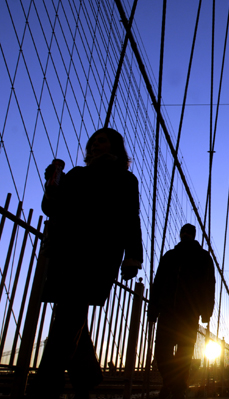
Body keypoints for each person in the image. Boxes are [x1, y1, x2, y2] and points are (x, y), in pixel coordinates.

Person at [32, 127, 143, 399]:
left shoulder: (125, 179)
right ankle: (87, 378)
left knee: (67, 319)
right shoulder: (76, 175)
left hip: (96, 255)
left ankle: (44, 389)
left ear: (114, 147)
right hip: (65, 251)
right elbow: (51, 208)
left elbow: (131, 218)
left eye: (101, 141)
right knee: (70, 317)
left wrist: (133, 257)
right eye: (92, 142)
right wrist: (52, 185)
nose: (94, 146)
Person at [148, 223, 216, 399]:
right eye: (183, 231)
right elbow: (158, 283)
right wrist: (153, 307)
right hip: (169, 310)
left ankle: (175, 388)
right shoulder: (170, 256)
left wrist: (207, 310)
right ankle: (174, 385)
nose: (185, 234)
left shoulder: (202, 257)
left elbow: (210, 286)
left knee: (183, 355)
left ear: (193, 235)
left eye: (188, 232)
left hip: (187, 314)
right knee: (162, 353)